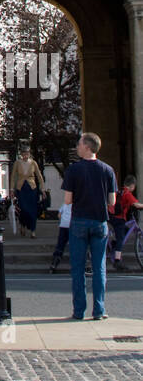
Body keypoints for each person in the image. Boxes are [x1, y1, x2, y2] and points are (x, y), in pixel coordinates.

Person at [62, 132, 117, 320]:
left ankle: (79, 311)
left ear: (87, 147)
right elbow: (112, 201)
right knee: (99, 267)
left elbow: (68, 200)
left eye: (79, 144)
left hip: (79, 221)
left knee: (77, 268)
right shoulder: (107, 170)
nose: (77, 147)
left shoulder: (74, 170)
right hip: (100, 221)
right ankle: (99, 310)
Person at [10, 143, 46, 237]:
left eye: (27, 153)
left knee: (32, 210)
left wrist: (42, 189)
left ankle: (33, 230)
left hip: (32, 188)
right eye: (24, 153)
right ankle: (22, 224)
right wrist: (11, 189)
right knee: (23, 209)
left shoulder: (33, 163)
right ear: (21, 154)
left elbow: (39, 176)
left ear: (29, 154)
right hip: (21, 189)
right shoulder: (17, 163)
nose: (26, 155)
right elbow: (13, 176)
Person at [111, 174, 141, 272]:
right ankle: (117, 261)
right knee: (120, 238)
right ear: (132, 186)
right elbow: (136, 204)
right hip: (119, 218)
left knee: (126, 229)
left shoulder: (120, 191)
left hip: (112, 217)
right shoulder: (127, 193)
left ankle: (114, 244)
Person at [49, 199, 72, 273]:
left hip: (63, 225)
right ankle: (75, 265)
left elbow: (59, 215)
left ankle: (54, 263)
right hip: (73, 226)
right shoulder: (78, 204)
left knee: (60, 245)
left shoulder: (65, 203)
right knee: (74, 246)